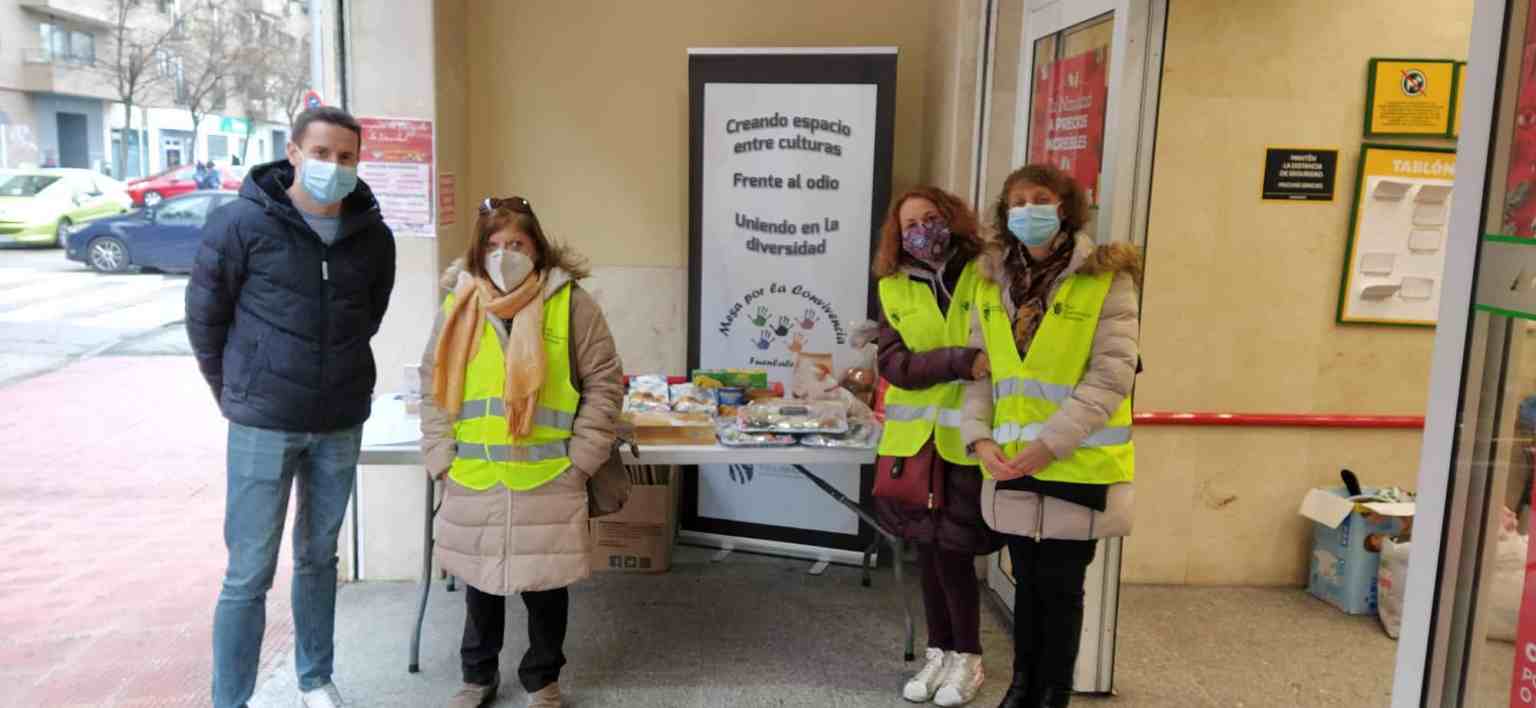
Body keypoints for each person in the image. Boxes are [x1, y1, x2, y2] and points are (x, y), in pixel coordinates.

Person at [186, 105, 397, 708]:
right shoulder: (239, 224)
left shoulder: (372, 236)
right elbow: (205, 318)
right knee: (248, 572)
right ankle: (231, 699)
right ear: (295, 153)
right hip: (263, 421)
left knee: (318, 558)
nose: (334, 165)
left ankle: (314, 679)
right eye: (322, 153)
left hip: (339, 420)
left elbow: (369, 315)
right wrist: (236, 389)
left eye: (346, 156)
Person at [419, 195, 623, 708]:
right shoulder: (458, 304)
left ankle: (542, 680)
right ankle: (477, 677)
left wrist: (583, 460)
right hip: (474, 474)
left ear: (537, 247)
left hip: (549, 475)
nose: (504, 254)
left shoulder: (571, 303)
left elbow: (604, 382)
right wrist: (441, 457)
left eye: (516, 244)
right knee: (479, 584)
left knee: (547, 587)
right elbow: (432, 384)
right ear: (478, 250)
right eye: (494, 244)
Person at [961, 164, 1139, 708]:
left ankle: (1052, 695)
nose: (1027, 210)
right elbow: (982, 373)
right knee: (1027, 584)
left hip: (1075, 464)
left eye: (1039, 199)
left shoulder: (1105, 278)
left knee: (1061, 590)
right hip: (1011, 464)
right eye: (1017, 201)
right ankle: (1021, 688)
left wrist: (1050, 444)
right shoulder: (991, 281)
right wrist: (979, 438)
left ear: (1065, 208)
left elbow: (1112, 375)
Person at [871, 186, 998, 707]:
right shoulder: (893, 285)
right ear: (897, 235)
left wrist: (956, 363)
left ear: (950, 217)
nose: (922, 230)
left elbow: (996, 348)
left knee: (955, 554)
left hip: (966, 439)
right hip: (914, 445)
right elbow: (894, 364)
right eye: (910, 225)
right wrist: (957, 361)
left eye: (930, 218)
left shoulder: (984, 271)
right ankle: (938, 651)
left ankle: (968, 658)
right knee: (926, 553)